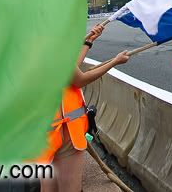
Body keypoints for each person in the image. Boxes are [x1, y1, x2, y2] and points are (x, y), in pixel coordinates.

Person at [37, 22, 130, 192]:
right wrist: (114, 62)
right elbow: (78, 79)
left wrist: (87, 43)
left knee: (48, 185)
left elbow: (67, 71)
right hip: (65, 130)